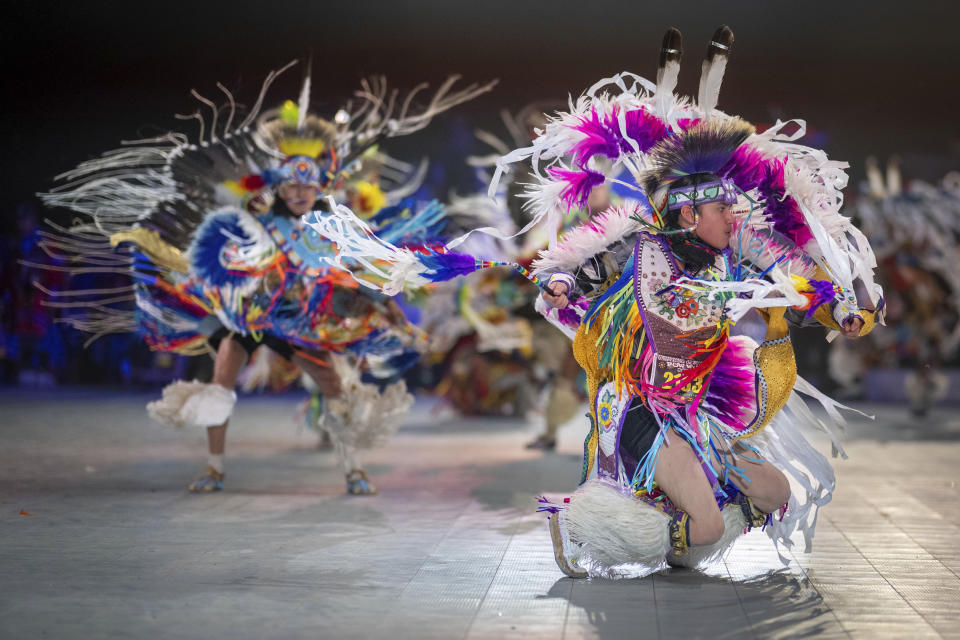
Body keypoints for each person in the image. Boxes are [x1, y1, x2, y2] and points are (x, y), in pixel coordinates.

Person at [38, 62, 493, 495]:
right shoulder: (253, 223)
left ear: (318, 189)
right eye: (291, 187)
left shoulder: (332, 228)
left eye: (307, 187)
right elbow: (213, 260)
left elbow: (361, 276)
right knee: (221, 384)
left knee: (336, 392)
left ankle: (353, 469)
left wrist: (400, 317)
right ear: (279, 187)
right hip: (248, 318)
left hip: (301, 323)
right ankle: (214, 468)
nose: (298, 193)